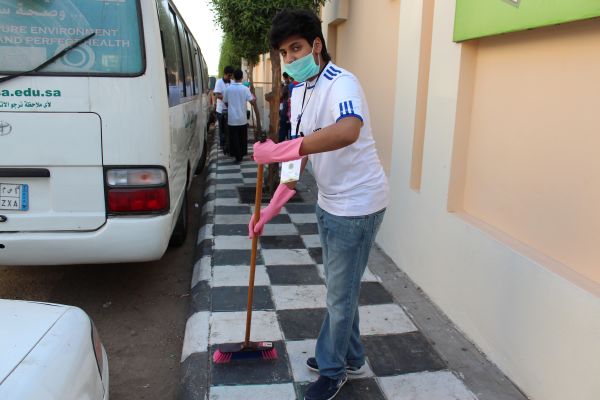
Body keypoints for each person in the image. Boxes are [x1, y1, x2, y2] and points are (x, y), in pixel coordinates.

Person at [248, 9, 389, 400]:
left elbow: (347, 130)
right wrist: (269, 211)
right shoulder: (300, 91)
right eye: (284, 53)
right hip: (330, 201)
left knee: (338, 295)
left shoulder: (342, 83)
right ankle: (353, 356)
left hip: (359, 204)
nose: (291, 58)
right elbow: (296, 163)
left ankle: (332, 369)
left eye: (297, 48)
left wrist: (279, 149)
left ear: (317, 45)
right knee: (341, 289)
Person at [223, 69, 256, 163]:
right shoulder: (245, 89)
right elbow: (252, 101)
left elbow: (225, 102)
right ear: (242, 77)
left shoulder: (228, 89)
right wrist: (254, 98)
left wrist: (230, 107)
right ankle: (241, 154)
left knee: (234, 138)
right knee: (242, 137)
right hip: (242, 118)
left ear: (233, 77)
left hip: (232, 119)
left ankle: (237, 156)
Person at [214, 66, 234, 154]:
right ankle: (223, 146)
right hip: (221, 110)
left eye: (231, 76)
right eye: (229, 75)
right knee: (222, 130)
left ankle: (228, 146)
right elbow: (217, 95)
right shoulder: (219, 82)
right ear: (225, 74)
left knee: (229, 130)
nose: (230, 77)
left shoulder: (232, 82)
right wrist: (226, 99)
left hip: (230, 110)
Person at [278, 72, 293, 142]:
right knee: (288, 123)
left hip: (285, 105)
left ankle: (282, 138)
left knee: (283, 122)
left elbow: (281, 95)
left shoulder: (287, 85)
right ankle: (287, 137)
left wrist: (281, 87)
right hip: (288, 106)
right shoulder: (289, 84)